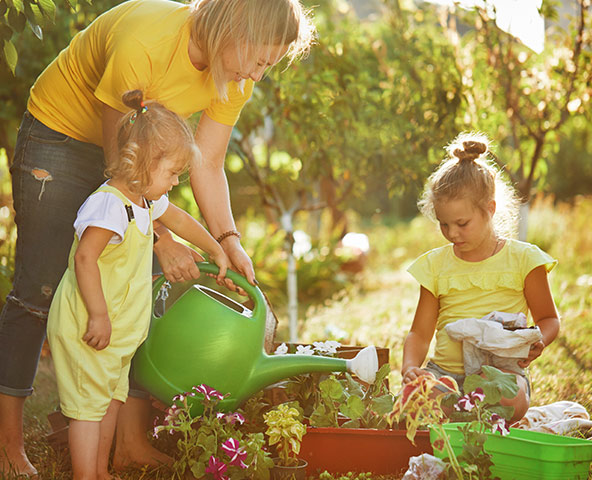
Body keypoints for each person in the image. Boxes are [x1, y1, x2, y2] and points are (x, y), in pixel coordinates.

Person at [0, 0, 315, 476]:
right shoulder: (146, 40)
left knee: (141, 291)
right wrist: (159, 238)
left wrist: (226, 239)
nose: (260, 73)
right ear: (234, 28)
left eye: (270, 64)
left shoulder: (236, 76)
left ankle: (127, 442)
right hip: (61, 136)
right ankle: (9, 443)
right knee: (39, 289)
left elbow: (207, 163)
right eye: (260, 58)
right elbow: (121, 170)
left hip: (137, 163)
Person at [46, 90, 230, 480]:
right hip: (90, 328)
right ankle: (85, 475)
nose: (176, 180)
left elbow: (179, 220)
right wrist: (98, 315)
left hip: (118, 334)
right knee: (86, 409)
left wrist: (217, 248)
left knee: (111, 401)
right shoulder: (109, 204)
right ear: (142, 164)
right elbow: (84, 258)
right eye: (171, 172)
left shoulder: (144, 202)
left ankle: (100, 470)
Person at [400, 132, 560, 423]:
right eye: (443, 224)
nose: (451, 233)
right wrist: (411, 366)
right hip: (445, 376)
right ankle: (469, 416)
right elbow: (420, 334)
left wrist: (540, 341)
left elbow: (549, 318)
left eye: (462, 223)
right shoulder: (436, 266)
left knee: (510, 398)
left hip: (500, 375)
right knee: (414, 396)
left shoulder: (524, 260)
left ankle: (470, 415)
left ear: (490, 209)